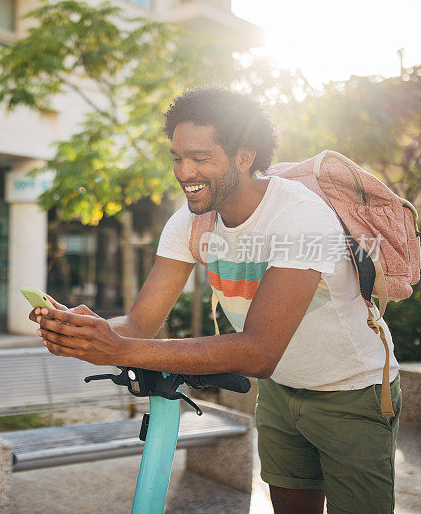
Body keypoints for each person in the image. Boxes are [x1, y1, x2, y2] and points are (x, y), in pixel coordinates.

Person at [30, 86, 401, 514]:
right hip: (282, 391)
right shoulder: (190, 222)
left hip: (353, 391)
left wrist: (122, 349)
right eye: (176, 157)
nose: (184, 171)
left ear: (243, 157)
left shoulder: (301, 217)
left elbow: (259, 351)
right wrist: (85, 329)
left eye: (200, 158)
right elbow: (138, 325)